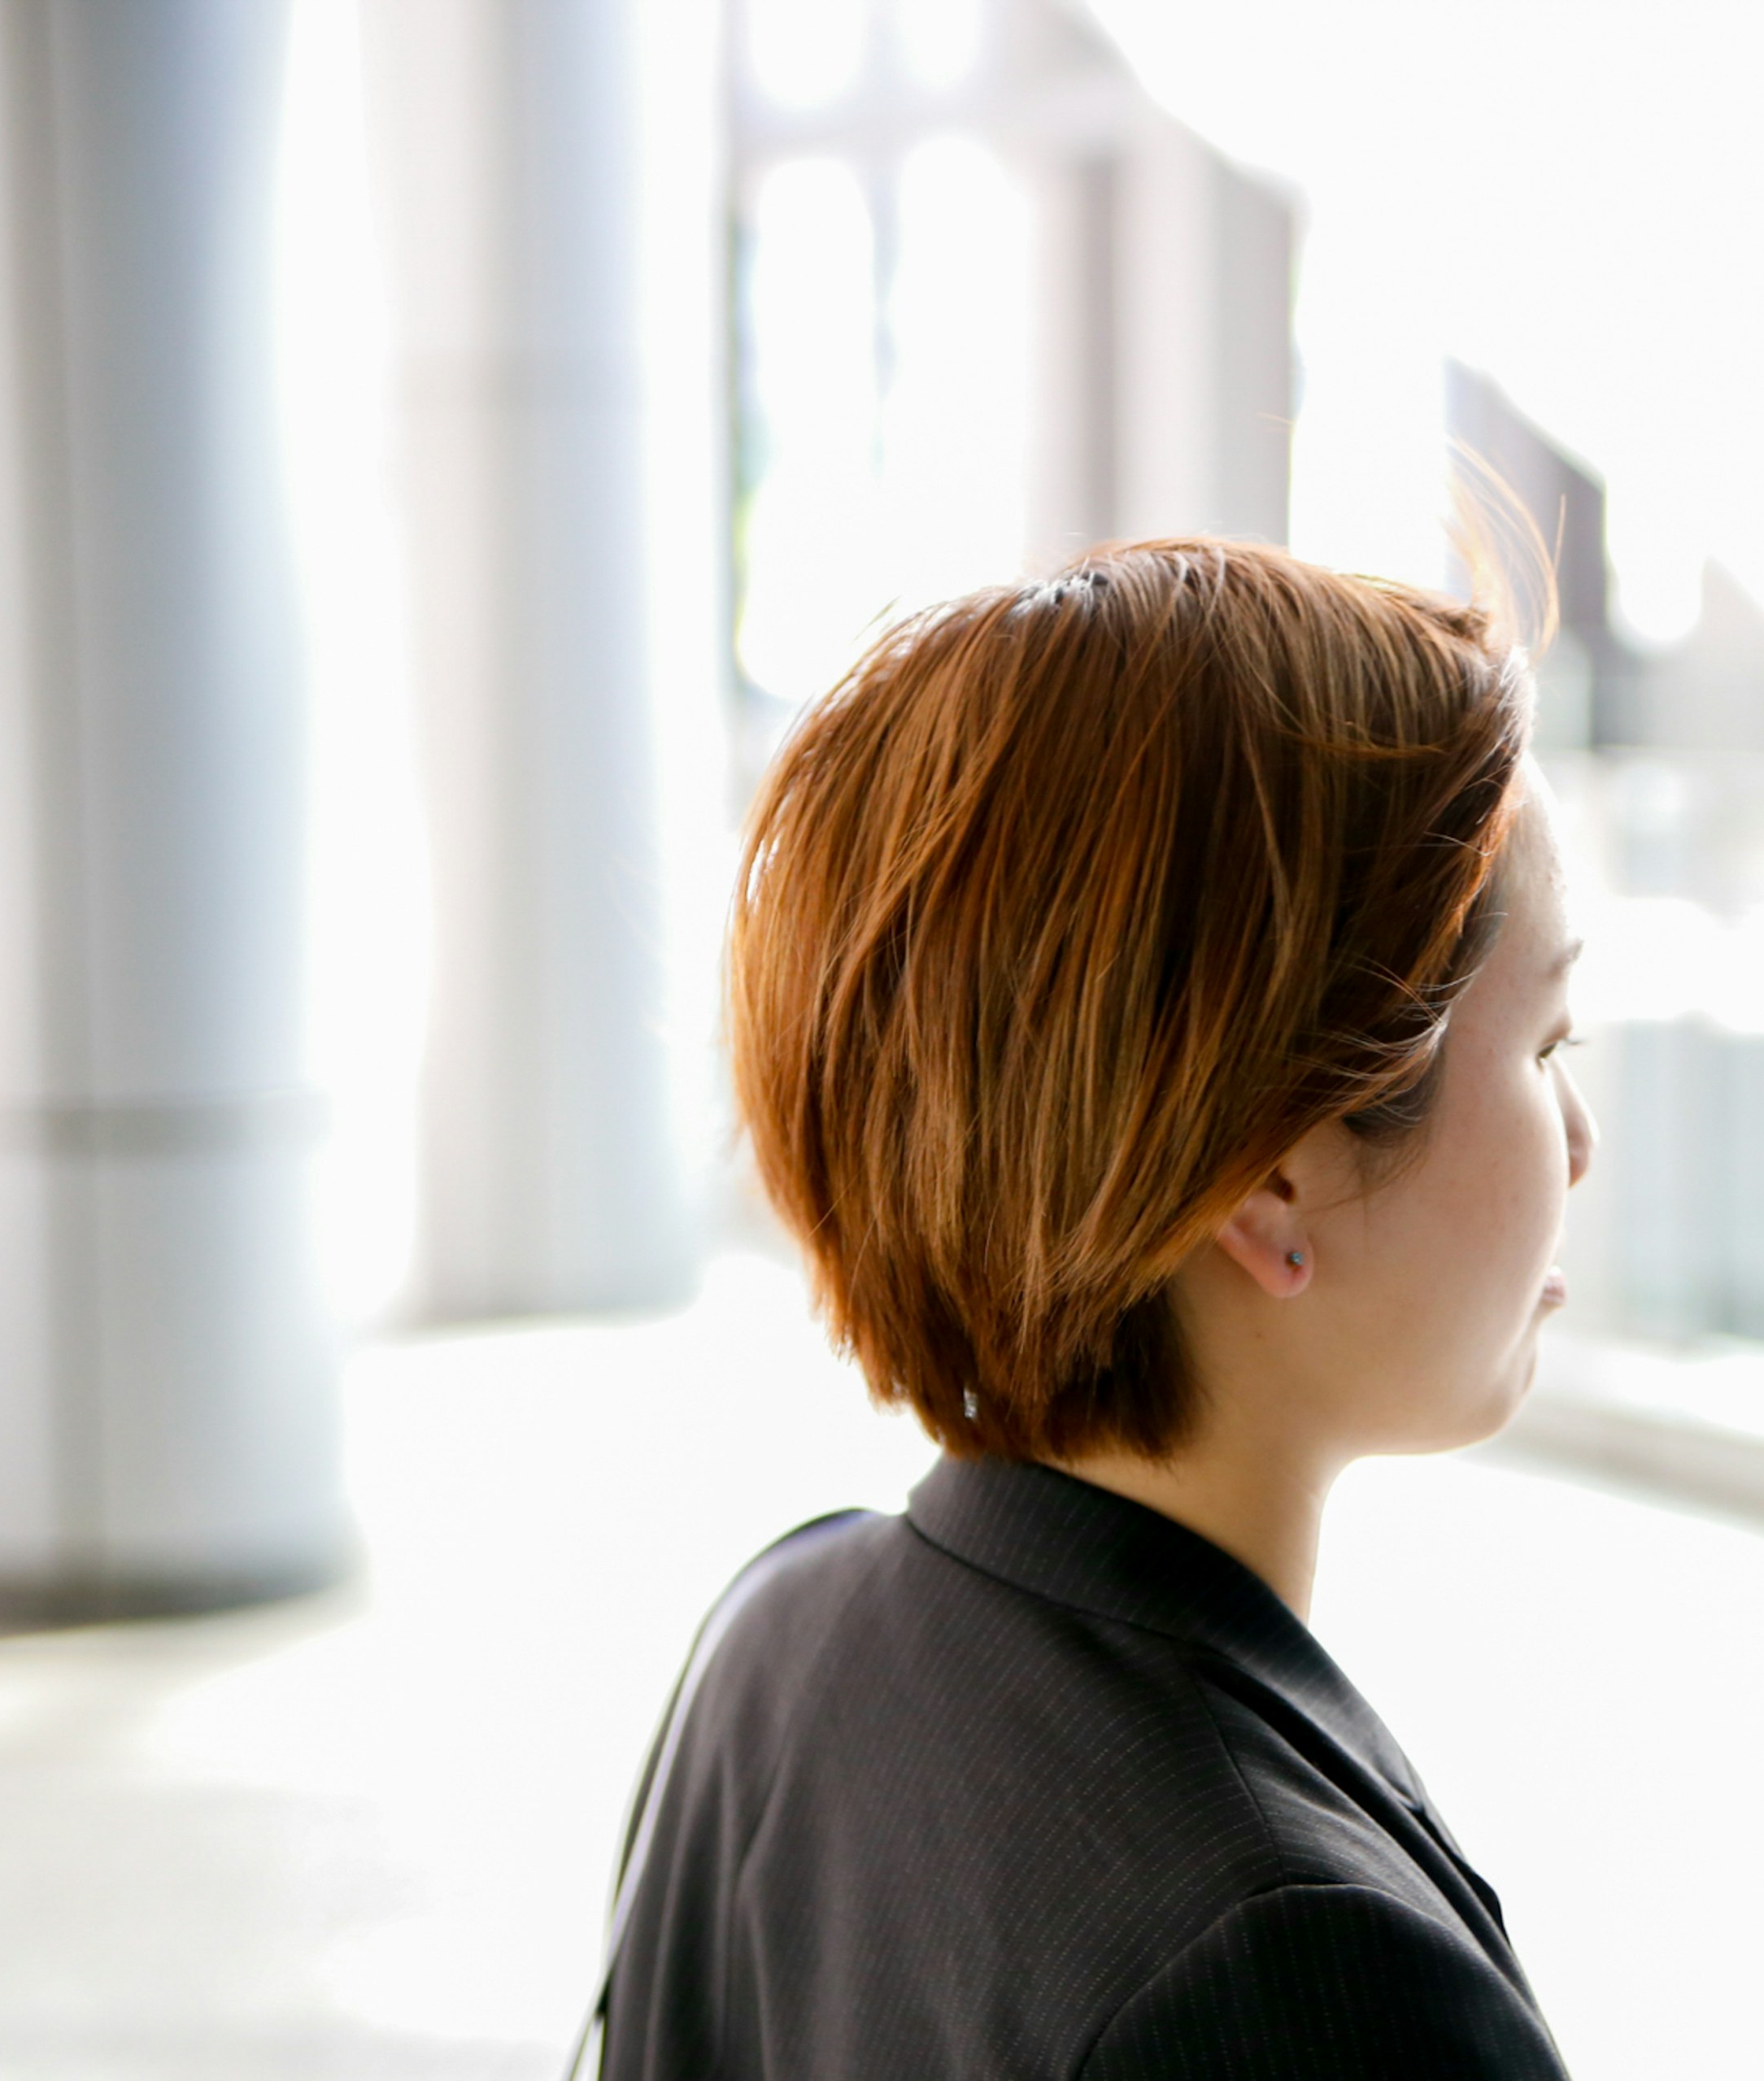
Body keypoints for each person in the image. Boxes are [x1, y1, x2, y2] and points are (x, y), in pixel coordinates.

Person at [590, 539, 1593, 2079]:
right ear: (1275, 1183)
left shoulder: (783, 1638)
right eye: (1543, 1048)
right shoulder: (1296, 1967)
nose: (1580, 1140)